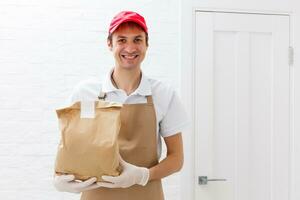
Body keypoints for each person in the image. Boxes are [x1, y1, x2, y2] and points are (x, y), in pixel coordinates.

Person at [53, 11, 189, 200]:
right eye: (122, 40)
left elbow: (177, 159)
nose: (130, 48)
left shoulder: (164, 94)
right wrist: (59, 177)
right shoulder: (85, 93)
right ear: (110, 44)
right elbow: (70, 149)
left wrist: (142, 176)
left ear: (146, 44)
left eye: (137, 40)